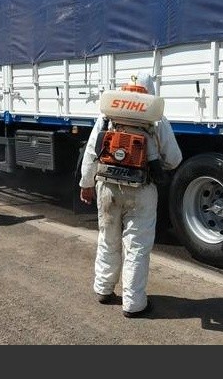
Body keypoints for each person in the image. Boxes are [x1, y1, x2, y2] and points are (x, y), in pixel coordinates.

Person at [78, 72, 182, 318]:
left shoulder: (107, 116)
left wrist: (86, 183)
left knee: (108, 238)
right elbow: (174, 159)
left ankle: (103, 289)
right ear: (150, 92)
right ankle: (134, 304)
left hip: (106, 187)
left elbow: (92, 153)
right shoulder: (157, 119)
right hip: (142, 190)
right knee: (136, 245)